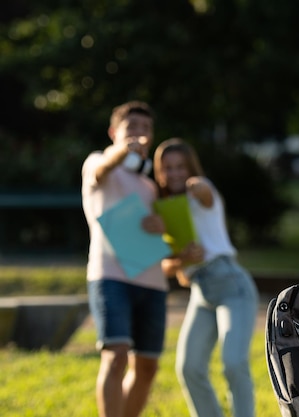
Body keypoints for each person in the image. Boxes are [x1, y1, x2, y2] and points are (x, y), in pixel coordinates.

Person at [153, 137, 259, 417]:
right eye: (168, 168)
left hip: (231, 286)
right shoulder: (163, 211)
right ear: (159, 171)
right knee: (188, 368)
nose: (174, 173)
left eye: (180, 167)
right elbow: (163, 266)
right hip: (200, 293)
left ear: (190, 169)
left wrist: (195, 184)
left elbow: (204, 192)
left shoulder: (201, 191)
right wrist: (183, 258)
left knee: (233, 363)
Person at [81, 101, 168, 417]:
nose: (140, 135)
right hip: (110, 277)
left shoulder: (152, 182)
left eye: (146, 129)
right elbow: (102, 171)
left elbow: (172, 233)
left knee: (147, 367)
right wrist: (123, 151)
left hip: (153, 282)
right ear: (113, 131)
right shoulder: (98, 163)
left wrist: (162, 227)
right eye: (132, 128)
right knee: (115, 357)